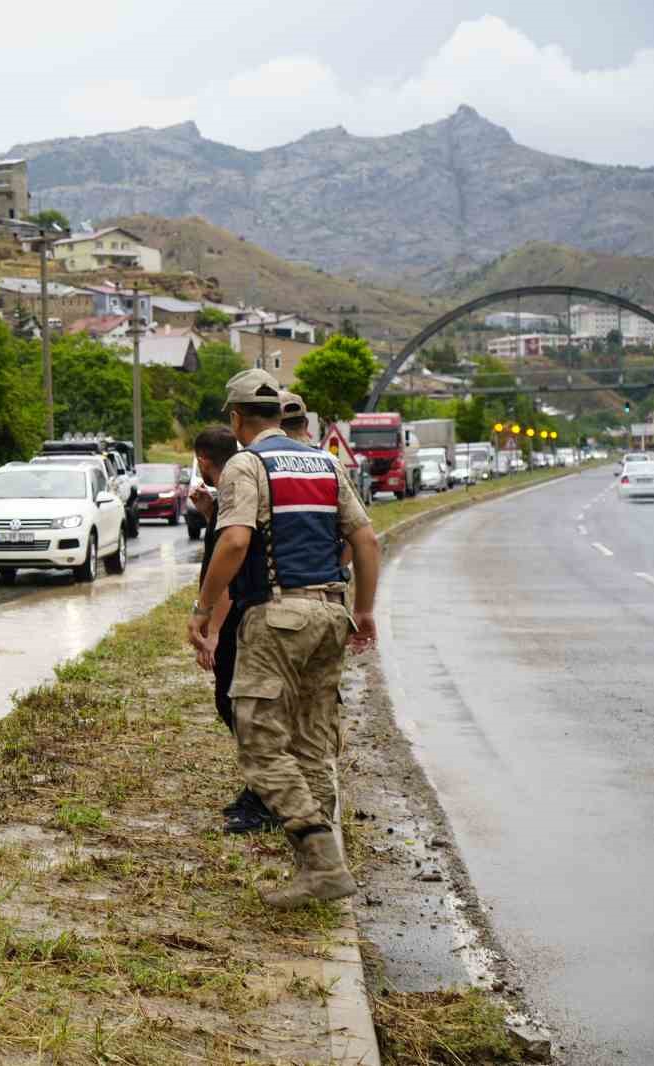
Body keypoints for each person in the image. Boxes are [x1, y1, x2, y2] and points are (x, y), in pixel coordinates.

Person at [188, 369, 382, 908]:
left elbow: (233, 541)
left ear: (236, 419)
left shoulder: (246, 465)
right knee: (313, 743)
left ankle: (320, 859)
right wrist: (363, 609)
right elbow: (364, 538)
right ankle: (325, 866)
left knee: (257, 741)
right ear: (279, 416)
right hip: (330, 613)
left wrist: (204, 610)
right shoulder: (324, 462)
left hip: (277, 617)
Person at [190, 425, 280, 835]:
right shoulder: (234, 496)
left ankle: (266, 795)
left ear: (203, 460)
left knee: (237, 707)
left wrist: (211, 629)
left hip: (239, 619)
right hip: (255, 615)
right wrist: (208, 515)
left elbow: (230, 563)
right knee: (242, 706)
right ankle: (261, 790)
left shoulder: (233, 492)